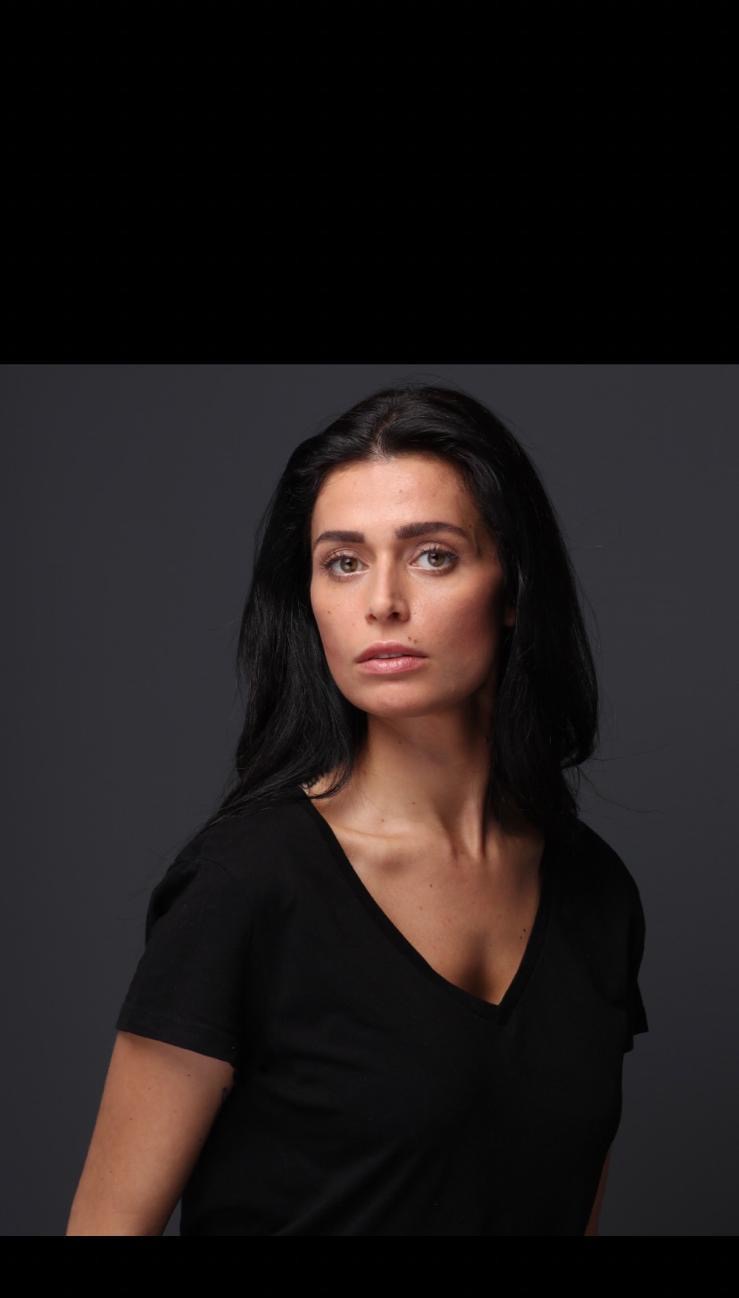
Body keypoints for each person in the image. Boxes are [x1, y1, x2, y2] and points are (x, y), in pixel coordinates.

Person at [65, 381, 649, 1237]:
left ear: (513, 588)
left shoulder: (596, 893)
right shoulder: (245, 884)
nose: (381, 602)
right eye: (343, 562)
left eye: (432, 555)